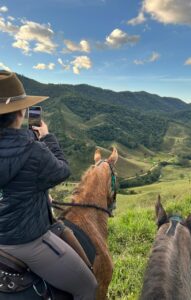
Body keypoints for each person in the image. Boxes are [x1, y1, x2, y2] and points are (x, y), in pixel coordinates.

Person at [0, 70, 97, 299]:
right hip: (23, 240)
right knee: (88, 287)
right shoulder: (34, 150)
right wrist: (46, 137)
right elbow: (62, 170)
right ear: (22, 112)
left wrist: (37, 194)